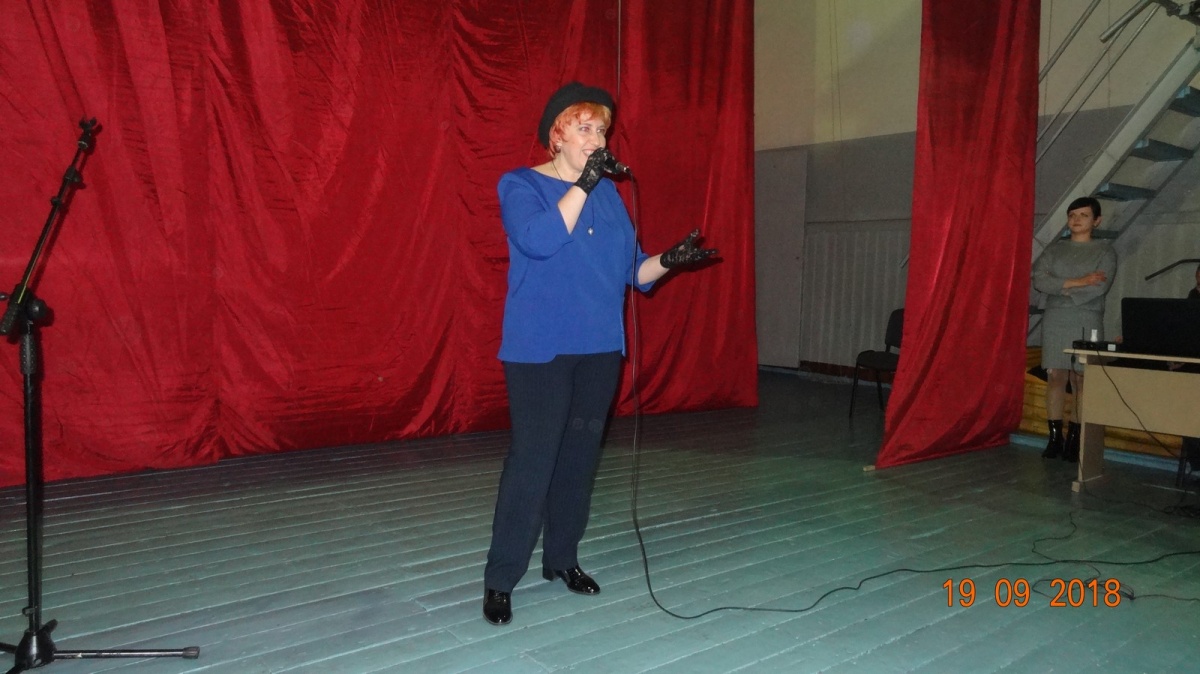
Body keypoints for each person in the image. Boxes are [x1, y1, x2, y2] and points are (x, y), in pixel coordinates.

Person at [482, 82, 717, 626]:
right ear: (556, 135)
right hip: (540, 350)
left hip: (600, 349)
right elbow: (540, 240)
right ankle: (500, 578)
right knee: (533, 461)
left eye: (602, 130)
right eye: (584, 127)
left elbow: (634, 270)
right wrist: (584, 184)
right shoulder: (520, 185)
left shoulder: (608, 197)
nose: (596, 138)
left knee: (579, 460)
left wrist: (670, 260)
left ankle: (562, 560)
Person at [1032, 196, 1117, 463]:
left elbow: (1099, 286)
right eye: (1072, 215)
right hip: (1056, 317)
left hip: (1086, 317)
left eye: (1083, 215)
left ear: (1097, 220)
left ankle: (1075, 439)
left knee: (1081, 378)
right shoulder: (1055, 249)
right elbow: (1039, 280)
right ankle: (1054, 437)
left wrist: (1061, 287)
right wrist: (1079, 281)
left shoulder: (1105, 251)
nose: (1076, 220)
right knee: (1056, 377)